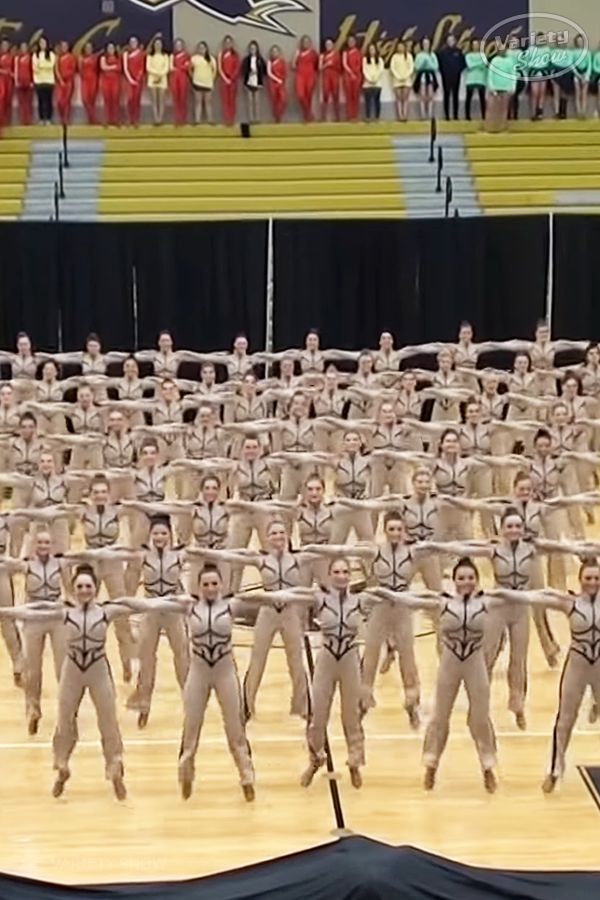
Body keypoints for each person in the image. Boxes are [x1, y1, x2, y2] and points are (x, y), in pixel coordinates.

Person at [0, 565, 190, 799]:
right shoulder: (64, 610)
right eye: (79, 587)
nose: (84, 591)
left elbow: (143, 604)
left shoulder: (105, 610)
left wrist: (178, 601)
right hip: (73, 670)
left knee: (108, 720)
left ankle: (115, 766)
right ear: (73, 588)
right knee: (65, 719)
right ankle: (62, 765)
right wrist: (6, 612)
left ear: (95, 589)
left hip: (98, 669)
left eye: (88, 586)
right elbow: (31, 610)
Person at [179, 567, 311, 800]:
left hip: (225, 671)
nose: (210, 589)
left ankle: (246, 774)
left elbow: (262, 597)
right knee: (191, 725)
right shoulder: (189, 606)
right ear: (198, 587)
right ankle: (186, 772)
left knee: (235, 727)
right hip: (198, 672)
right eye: (206, 584)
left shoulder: (233, 604)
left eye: (214, 584)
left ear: (221, 584)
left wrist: (292, 594)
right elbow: (151, 605)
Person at [371, 558, 499, 792]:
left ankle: (488, 766)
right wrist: (383, 593)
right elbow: (409, 599)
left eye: (470, 578)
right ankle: (431, 764)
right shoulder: (441, 602)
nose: (466, 582)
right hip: (450, 663)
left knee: (480, 716)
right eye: (461, 578)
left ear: (477, 580)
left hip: (475, 661)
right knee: (440, 716)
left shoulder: (487, 601)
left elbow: (522, 597)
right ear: (453, 581)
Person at [301, 558, 370, 789]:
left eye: (345, 572)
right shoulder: (319, 599)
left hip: (350, 658)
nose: (341, 576)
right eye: (336, 572)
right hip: (327, 657)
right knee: (318, 714)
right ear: (329, 575)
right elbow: (293, 595)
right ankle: (316, 758)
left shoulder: (359, 601)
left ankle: (354, 762)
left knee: (351, 715)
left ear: (350, 575)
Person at [126, 516, 189, 727]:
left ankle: (190, 699)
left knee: (181, 654)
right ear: (150, 535)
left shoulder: (180, 555)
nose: (160, 537)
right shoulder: (142, 555)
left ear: (170, 535)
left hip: (172, 610)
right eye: (156, 534)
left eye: (164, 533)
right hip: (151, 609)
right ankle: (144, 703)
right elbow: (133, 579)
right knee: (147, 658)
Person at [486, 43, 516, 132]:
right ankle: (490, 127)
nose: (502, 50)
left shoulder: (510, 61)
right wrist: (491, 87)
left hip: (506, 88)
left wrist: (512, 87)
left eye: (504, 48)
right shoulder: (494, 60)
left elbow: (513, 75)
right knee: (492, 109)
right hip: (495, 88)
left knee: (504, 109)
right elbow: (490, 75)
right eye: (500, 49)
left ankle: (502, 127)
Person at [436, 34, 465, 120]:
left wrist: (458, 70)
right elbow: (439, 65)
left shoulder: (459, 52)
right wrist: (443, 72)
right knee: (447, 95)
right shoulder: (442, 53)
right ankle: (447, 116)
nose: (451, 42)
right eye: (449, 40)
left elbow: (463, 63)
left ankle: (455, 115)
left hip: (456, 76)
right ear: (446, 41)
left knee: (455, 96)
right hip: (446, 77)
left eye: (452, 40)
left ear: (455, 41)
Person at [293, 35, 318, 123]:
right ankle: (309, 113)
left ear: (310, 43)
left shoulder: (313, 53)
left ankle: (306, 117)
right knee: (301, 95)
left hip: (310, 76)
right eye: (304, 42)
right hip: (300, 76)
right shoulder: (298, 52)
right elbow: (293, 65)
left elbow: (317, 65)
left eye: (307, 42)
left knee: (308, 96)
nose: (306, 44)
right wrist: (297, 60)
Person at [191, 42, 217, 124]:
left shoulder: (211, 58)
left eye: (203, 48)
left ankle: (210, 120)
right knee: (198, 102)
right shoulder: (194, 58)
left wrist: (211, 79)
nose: (201, 49)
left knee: (208, 102)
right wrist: (193, 77)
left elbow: (215, 70)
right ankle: (197, 120)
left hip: (208, 83)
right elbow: (190, 70)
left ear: (206, 49)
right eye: (200, 48)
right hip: (197, 82)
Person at [123, 35, 146, 127]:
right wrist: (130, 79)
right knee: (129, 100)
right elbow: (125, 68)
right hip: (129, 80)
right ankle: (129, 119)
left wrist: (138, 78)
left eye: (135, 42)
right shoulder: (126, 54)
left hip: (138, 80)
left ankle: (136, 120)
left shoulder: (140, 53)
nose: (133, 44)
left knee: (137, 100)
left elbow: (142, 67)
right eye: (131, 42)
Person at [32, 37, 56, 125]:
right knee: (41, 101)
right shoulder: (35, 55)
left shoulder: (51, 54)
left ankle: (49, 118)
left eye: (44, 43)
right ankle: (42, 118)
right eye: (41, 43)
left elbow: (51, 66)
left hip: (49, 81)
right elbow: (35, 68)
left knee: (49, 100)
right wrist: (44, 66)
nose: (42, 45)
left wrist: (41, 66)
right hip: (39, 81)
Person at [413, 38, 439, 119]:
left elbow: (436, 66)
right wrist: (423, 64)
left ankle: (430, 114)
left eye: (427, 44)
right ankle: (423, 115)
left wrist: (429, 64)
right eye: (424, 44)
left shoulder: (432, 55)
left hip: (430, 75)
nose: (426, 46)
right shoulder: (419, 55)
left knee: (431, 95)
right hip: (422, 75)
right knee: (422, 95)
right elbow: (416, 67)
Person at [218, 35, 240, 126]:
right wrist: (225, 78)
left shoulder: (235, 55)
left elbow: (237, 67)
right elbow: (220, 67)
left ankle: (232, 119)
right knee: (225, 101)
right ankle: (226, 120)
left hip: (233, 81)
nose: (228, 44)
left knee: (232, 101)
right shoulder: (221, 54)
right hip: (224, 80)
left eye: (229, 42)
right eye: (226, 42)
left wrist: (232, 78)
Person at [242, 41, 267, 124]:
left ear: (257, 49)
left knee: (256, 101)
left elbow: (264, 70)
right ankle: (251, 118)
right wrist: (249, 72)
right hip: (249, 81)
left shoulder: (260, 59)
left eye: (254, 48)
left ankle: (257, 118)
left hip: (257, 81)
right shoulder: (246, 60)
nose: (253, 50)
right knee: (250, 101)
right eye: (251, 48)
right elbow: (243, 70)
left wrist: (258, 73)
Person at [146, 37, 169, 125]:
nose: (158, 46)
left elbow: (166, 68)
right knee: (154, 100)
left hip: (162, 79)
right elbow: (148, 67)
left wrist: (160, 75)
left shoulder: (165, 56)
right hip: (152, 79)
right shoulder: (150, 56)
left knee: (161, 100)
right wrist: (156, 75)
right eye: (156, 44)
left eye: (159, 44)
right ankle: (156, 118)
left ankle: (160, 118)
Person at [390, 42, 414, 121]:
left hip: (406, 80)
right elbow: (392, 68)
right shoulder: (394, 57)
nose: (400, 48)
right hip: (397, 80)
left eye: (402, 46)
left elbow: (411, 68)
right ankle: (400, 115)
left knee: (405, 98)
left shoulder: (409, 56)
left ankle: (405, 115)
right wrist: (398, 76)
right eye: (399, 47)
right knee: (399, 98)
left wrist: (405, 76)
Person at [99, 41, 121, 126]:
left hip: (115, 81)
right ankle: (107, 119)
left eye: (112, 48)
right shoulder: (103, 57)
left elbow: (119, 68)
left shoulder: (118, 57)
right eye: (109, 48)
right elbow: (103, 67)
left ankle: (115, 119)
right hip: (106, 82)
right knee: (107, 100)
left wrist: (109, 67)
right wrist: (113, 67)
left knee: (115, 100)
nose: (111, 49)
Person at [464, 38, 487, 120]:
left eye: (477, 45)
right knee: (468, 98)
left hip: (481, 80)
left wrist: (475, 64)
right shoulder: (468, 55)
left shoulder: (483, 55)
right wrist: (479, 64)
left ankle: (484, 116)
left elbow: (484, 66)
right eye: (474, 45)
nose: (475, 46)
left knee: (482, 99)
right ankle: (467, 116)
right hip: (470, 80)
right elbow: (470, 65)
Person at [54, 41, 77, 126]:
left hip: (69, 82)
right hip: (60, 83)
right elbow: (56, 70)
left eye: (65, 46)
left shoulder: (71, 57)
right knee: (60, 101)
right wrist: (60, 80)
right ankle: (61, 118)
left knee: (66, 102)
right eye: (62, 46)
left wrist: (66, 79)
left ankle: (66, 120)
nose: (64, 48)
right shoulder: (58, 57)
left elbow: (72, 70)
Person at [169, 38, 191, 126]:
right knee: (176, 99)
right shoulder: (172, 56)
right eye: (177, 45)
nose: (178, 46)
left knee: (183, 99)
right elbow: (171, 68)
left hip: (183, 78)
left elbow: (188, 66)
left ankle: (183, 119)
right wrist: (181, 67)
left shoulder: (187, 55)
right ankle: (177, 119)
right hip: (174, 78)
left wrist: (179, 68)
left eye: (180, 44)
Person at [320, 38, 341, 121]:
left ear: (333, 45)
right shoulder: (323, 55)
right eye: (327, 44)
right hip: (326, 77)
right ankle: (324, 116)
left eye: (330, 44)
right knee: (325, 96)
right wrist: (326, 64)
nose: (328, 46)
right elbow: (320, 68)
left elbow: (340, 68)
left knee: (336, 96)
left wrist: (333, 65)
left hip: (335, 77)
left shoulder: (337, 54)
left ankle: (337, 117)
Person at [342, 34, 362, 121]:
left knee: (356, 96)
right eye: (349, 41)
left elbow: (360, 64)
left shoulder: (359, 52)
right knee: (349, 96)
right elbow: (344, 64)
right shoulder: (345, 52)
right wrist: (351, 73)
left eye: (352, 41)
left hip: (357, 76)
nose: (351, 42)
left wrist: (355, 74)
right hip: (348, 76)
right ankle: (349, 115)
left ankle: (355, 115)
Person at [362, 44, 384, 122]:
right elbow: (364, 70)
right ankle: (368, 117)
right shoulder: (365, 59)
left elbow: (380, 70)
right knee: (368, 101)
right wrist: (369, 79)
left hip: (377, 83)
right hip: (367, 84)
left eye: (373, 49)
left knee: (376, 101)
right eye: (370, 49)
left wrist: (375, 79)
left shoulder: (380, 59)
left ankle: (377, 117)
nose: (372, 51)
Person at [79, 42, 99, 124]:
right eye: (87, 48)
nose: (89, 49)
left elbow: (97, 69)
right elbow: (80, 70)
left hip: (93, 80)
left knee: (92, 100)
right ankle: (91, 118)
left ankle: (92, 119)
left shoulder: (95, 58)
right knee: (85, 100)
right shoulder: (81, 58)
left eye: (90, 48)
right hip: (85, 80)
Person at [14, 42, 33, 126]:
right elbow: (16, 70)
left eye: (25, 47)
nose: (23, 49)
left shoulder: (31, 58)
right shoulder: (17, 58)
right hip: (20, 83)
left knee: (28, 102)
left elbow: (33, 70)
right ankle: (22, 120)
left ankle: (28, 120)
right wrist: (16, 82)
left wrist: (32, 81)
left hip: (29, 82)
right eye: (22, 47)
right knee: (21, 103)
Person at [267, 45, 287, 123]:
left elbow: (285, 72)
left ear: (279, 52)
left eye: (276, 51)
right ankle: (277, 118)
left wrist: (281, 80)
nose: (274, 53)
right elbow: (269, 73)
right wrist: (277, 79)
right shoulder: (269, 62)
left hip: (281, 83)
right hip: (272, 83)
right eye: (273, 51)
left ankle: (279, 115)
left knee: (283, 100)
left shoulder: (282, 61)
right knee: (275, 101)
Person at [0, 39, 14, 126]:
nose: (5, 47)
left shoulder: (12, 56)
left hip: (9, 81)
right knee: (2, 99)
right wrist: (2, 71)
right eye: (3, 45)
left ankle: (7, 122)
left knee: (8, 101)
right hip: (1, 81)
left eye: (6, 45)